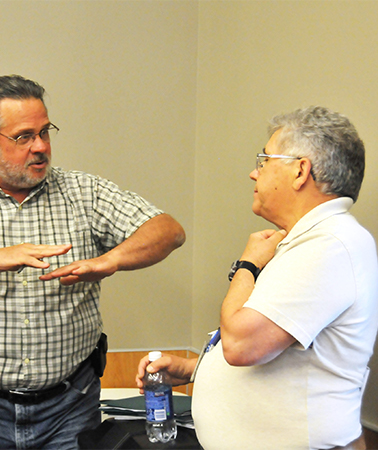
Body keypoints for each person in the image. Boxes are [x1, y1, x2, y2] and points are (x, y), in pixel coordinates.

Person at [0, 74, 186, 449]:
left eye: (45, 132)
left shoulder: (84, 192)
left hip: (70, 406)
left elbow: (168, 230)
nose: (40, 147)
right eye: (23, 137)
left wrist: (110, 261)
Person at [137, 106, 378, 449]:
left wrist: (247, 266)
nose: (254, 173)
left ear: (300, 171)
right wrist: (196, 369)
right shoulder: (312, 241)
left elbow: (240, 344)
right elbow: (283, 354)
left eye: (264, 160)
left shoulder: (330, 246)